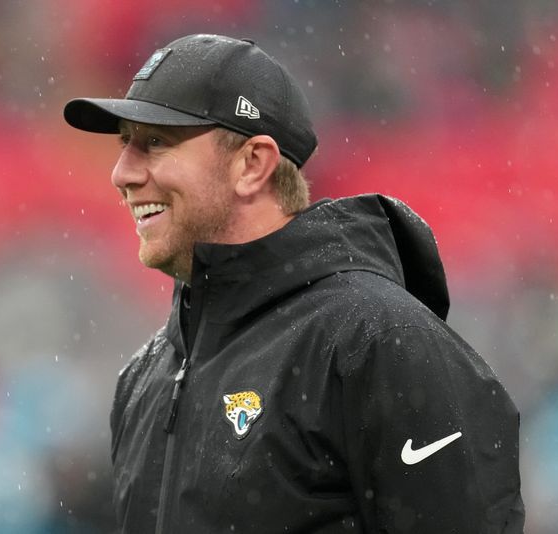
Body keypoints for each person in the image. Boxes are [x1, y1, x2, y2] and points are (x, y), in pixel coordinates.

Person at [63, 34, 524, 533]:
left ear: (252, 164)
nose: (121, 172)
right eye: (124, 143)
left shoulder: (376, 341)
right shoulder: (144, 376)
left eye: (155, 141)